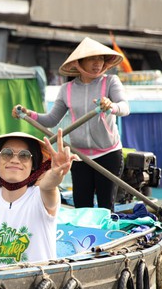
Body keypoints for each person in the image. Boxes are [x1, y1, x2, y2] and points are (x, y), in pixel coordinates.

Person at [12, 37, 130, 212]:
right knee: (82, 206)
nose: (97, 63)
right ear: (79, 63)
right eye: (92, 58)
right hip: (79, 156)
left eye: (101, 59)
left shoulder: (110, 82)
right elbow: (51, 120)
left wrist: (111, 106)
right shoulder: (67, 89)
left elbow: (125, 107)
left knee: (106, 207)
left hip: (108, 154)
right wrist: (29, 114)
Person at [0, 129, 77, 267]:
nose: (15, 160)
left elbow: (48, 187)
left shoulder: (40, 196)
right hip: (0, 285)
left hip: (42, 283)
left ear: (33, 165)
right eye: (7, 154)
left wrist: (56, 174)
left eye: (24, 155)